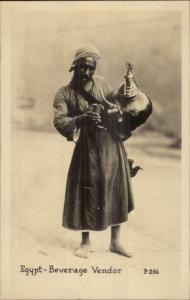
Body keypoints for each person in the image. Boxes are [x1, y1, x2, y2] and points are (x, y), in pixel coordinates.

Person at [53, 45, 152, 258]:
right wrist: (81, 119)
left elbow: (115, 102)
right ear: (74, 67)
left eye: (91, 68)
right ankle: (85, 242)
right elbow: (60, 121)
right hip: (86, 150)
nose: (87, 72)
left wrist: (129, 84)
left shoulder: (102, 83)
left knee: (117, 190)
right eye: (83, 68)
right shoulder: (64, 93)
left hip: (111, 145)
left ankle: (115, 242)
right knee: (87, 191)